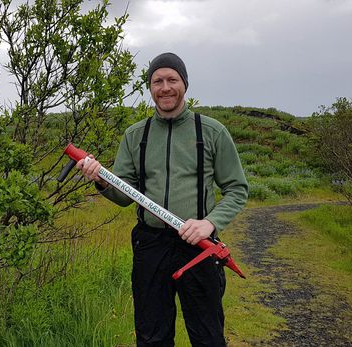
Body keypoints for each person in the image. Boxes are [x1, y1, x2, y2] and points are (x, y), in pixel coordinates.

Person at [77, 52, 248, 346]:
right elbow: (123, 196)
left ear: (185, 84)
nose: (165, 87)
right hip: (150, 245)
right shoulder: (135, 136)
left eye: (172, 79)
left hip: (200, 247)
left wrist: (210, 223)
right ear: (150, 87)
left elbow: (237, 189)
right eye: (158, 81)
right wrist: (102, 180)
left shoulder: (211, 131)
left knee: (207, 335)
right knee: (151, 335)